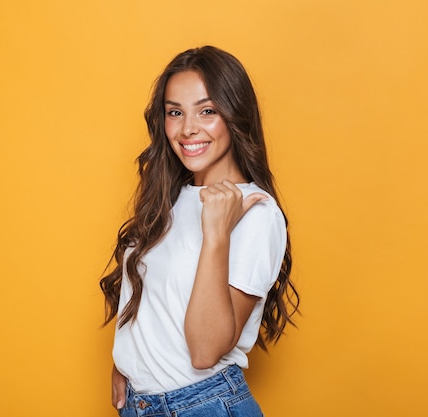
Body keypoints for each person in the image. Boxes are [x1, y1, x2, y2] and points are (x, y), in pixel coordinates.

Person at [100, 45, 299, 417]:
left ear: (235, 115)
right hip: (143, 406)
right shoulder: (168, 198)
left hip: (202, 405)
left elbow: (206, 350)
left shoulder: (256, 213)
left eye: (207, 111)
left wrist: (217, 235)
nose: (188, 128)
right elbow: (155, 301)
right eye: (175, 112)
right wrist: (128, 362)